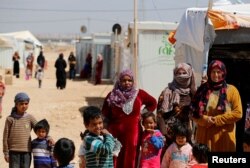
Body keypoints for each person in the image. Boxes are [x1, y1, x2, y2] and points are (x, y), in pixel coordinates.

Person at [102, 69, 157, 168]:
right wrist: (105, 130)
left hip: (133, 134)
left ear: (133, 81)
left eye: (129, 80)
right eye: (124, 80)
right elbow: (105, 113)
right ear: (119, 81)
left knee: (130, 158)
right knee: (115, 158)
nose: (127, 83)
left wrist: (142, 114)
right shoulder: (112, 95)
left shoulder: (139, 93)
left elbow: (153, 102)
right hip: (115, 134)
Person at [191, 60, 243, 152]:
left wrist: (217, 120)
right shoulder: (202, 90)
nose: (215, 75)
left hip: (223, 139)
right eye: (213, 72)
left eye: (218, 72)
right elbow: (193, 112)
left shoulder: (232, 91)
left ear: (223, 73)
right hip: (204, 138)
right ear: (209, 73)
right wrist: (205, 119)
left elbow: (238, 113)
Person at [157, 63, 196, 152]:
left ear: (190, 74)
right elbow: (159, 115)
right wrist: (164, 134)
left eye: (184, 73)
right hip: (170, 136)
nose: (181, 76)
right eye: (178, 73)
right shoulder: (167, 92)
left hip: (187, 136)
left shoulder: (194, 94)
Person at [2, 92, 37, 168]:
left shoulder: (30, 118)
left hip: (27, 152)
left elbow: (40, 129)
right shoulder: (10, 119)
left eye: (26, 103)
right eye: (21, 104)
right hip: (13, 152)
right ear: (16, 104)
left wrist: (48, 137)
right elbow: (5, 137)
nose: (24, 106)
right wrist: (6, 153)